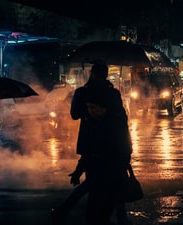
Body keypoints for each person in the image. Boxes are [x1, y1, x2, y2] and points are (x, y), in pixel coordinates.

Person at [52, 62, 133, 225]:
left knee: (94, 183)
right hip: (113, 147)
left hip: (92, 145)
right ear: (106, 75)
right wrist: (127, 150)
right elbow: (122, 122)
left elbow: (74, 114)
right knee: (113, 181)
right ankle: (119, 217)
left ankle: (66, 210)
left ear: (92, 74)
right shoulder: (113, 94)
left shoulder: (82, 93)